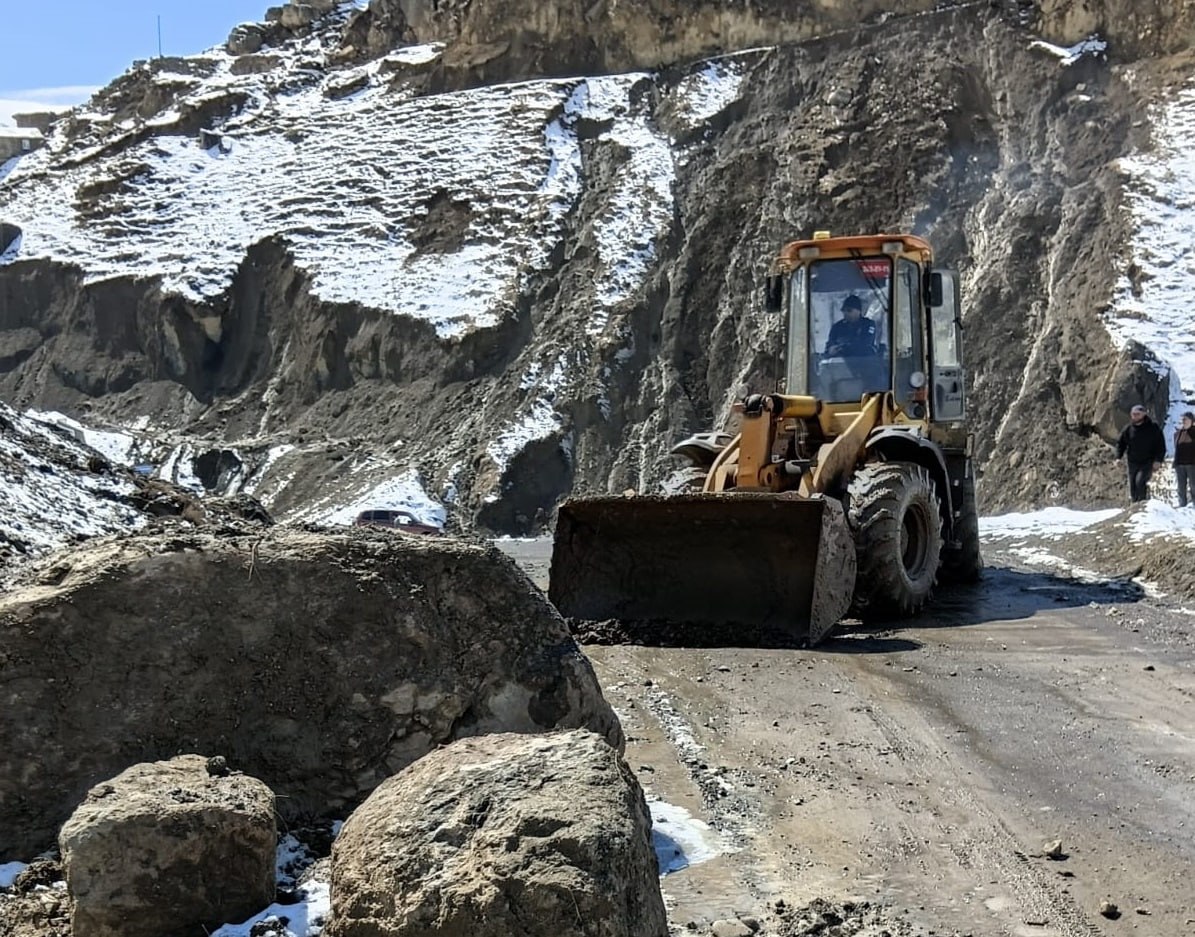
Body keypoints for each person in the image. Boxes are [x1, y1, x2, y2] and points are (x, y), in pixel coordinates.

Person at [1116, 404, 1166, 503]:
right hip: (1132, 462)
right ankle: (1135, 509)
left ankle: (1142, 506)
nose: (1135, 416)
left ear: (1143, 414)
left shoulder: (1153, 428)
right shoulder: (1128, 429)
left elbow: (1161, 446)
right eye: (1133, 414)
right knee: (1133, 487)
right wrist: (1118, 457)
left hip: (1147, 462)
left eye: (1137, 414)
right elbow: (1121, 443)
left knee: (1140, 482)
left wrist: (1158, 460)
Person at [1174, 410, 1195, 507]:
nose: (1183, 421)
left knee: (1193, 486)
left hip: (1192, 464)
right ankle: (1182, 506)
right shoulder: (1178, 433)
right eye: (1182, 419)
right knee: (1181, 487)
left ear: (1191, 421)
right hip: (1180, 464)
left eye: (1185, 419)